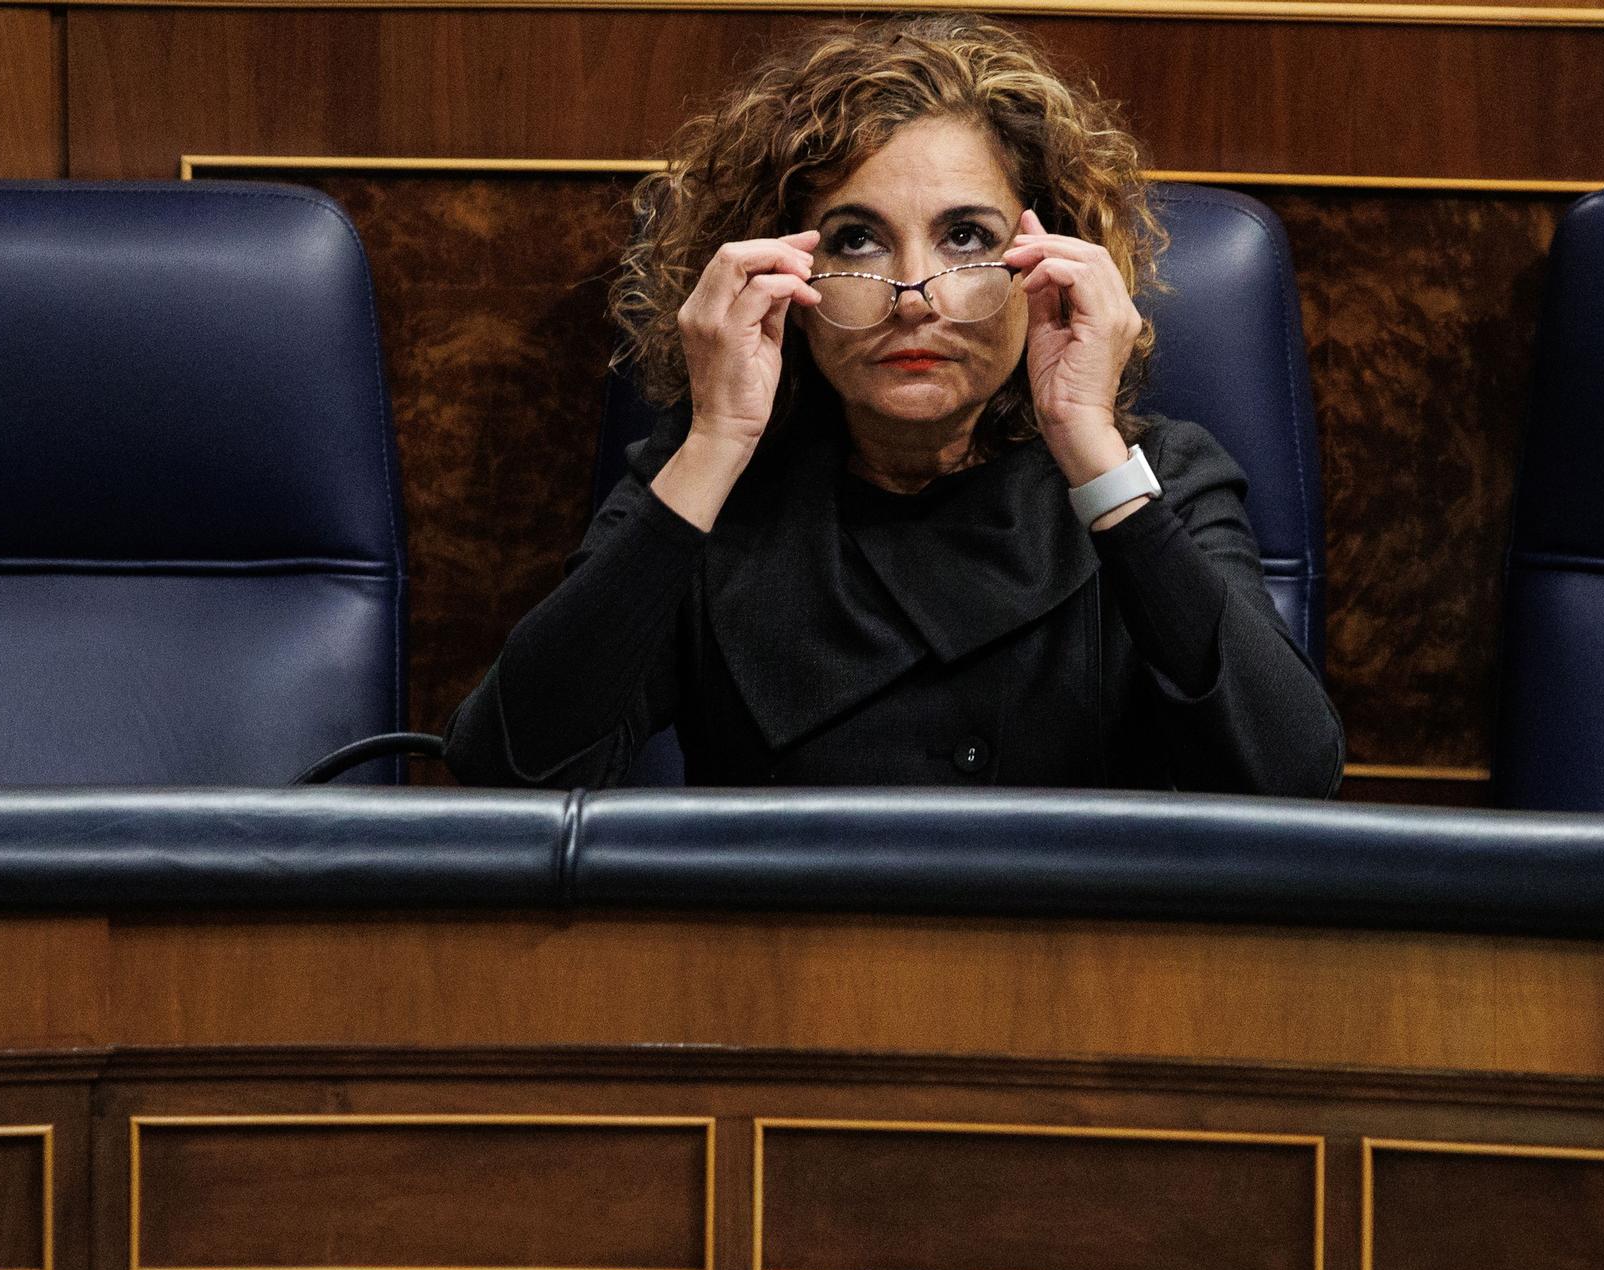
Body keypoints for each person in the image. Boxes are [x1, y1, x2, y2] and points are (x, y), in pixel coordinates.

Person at [444, 13, 1343, 794]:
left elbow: (1289, 778)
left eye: (965, 236)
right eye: (857, 239)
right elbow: (512, 772)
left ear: (1048, 261)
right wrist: (716, 443)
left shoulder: (1160, 478)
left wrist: (1091, 448)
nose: (914, 291)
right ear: (782, 273)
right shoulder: (708, 483)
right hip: (777, 976)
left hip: (1075, 977)